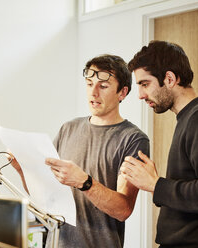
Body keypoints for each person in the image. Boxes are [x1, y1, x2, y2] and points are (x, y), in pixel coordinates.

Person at [121, 40, 198, 248]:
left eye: (145, 84)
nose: (140, 95)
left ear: (170, 78)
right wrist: (156, 183)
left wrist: (156, 185)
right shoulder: (189, 117)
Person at [44, 54, 150, 248]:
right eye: (89, 83)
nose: (93, 93)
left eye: (103, 86)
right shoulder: (68, 129)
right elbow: (46, 195)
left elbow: (123, 210)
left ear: (122, 93)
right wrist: (21, 168)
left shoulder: (133, 139)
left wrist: (84, 182)